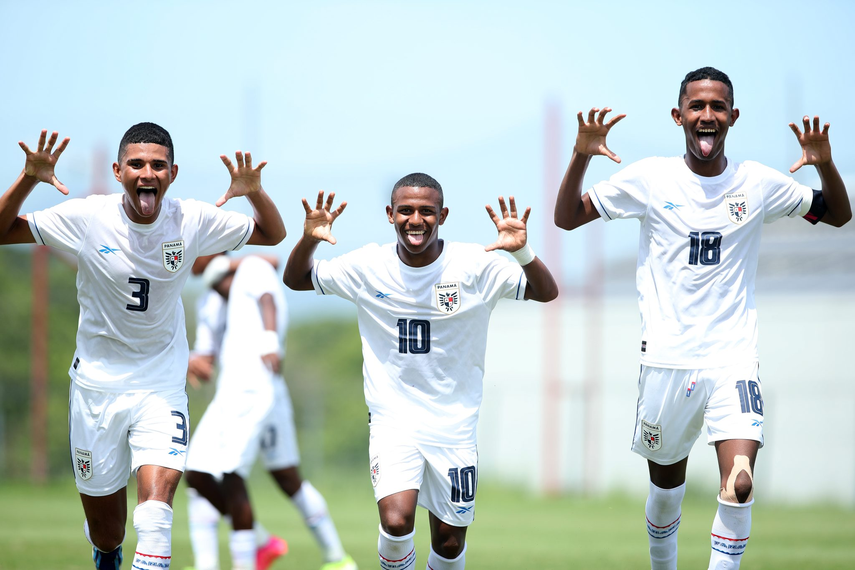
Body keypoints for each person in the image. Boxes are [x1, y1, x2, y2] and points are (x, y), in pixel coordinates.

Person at [553, 67, 851, 569]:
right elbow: (566, 216)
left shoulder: (756, 183)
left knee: (739, 482)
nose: (707, 116)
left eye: (717, 108)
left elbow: (838, 214)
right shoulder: (651, 179)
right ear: (679, 117)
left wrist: (825, 165)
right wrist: (582, 154)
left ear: (733, 117)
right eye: (697, 107)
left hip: (732, 358)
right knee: (666, 494)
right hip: (667, 363)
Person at [0, 124, 286, 569]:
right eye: (136, 164)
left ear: (171, 173)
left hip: (161, 385)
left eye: (157, 165)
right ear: (118, 171)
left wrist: (254, 192)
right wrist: (27, 180)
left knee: (155, 514)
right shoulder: (89, 217)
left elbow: (272, 234)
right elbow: (2, 230)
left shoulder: (190, 219)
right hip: (95, 388)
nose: (146, 172)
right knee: (108, 532)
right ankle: (104, 550)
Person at [283, 173, 559, 569]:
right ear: (390, 215)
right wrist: (309, 238)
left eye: (427, 211)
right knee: (396, 521)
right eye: (406, 210)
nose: (416, 219)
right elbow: (296, 279)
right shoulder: (368, 265)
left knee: (447, 545)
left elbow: (546, 292)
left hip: (455, 424)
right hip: (393, 420)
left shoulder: (475, 265)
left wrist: (522, 252)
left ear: (442, 215)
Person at [182, 253, 357, 570]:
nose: (186, 253)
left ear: (216, 249)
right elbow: (205, 358)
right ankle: (250, 547)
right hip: (231, 392)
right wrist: (190, 361)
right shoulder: (208, 302)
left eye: (196, 247)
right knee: (197, 473)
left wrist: (269, 340)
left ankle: (336, 559)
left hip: (257, 387)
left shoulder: (251, 268)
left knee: (269, 476)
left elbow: (268, 298)